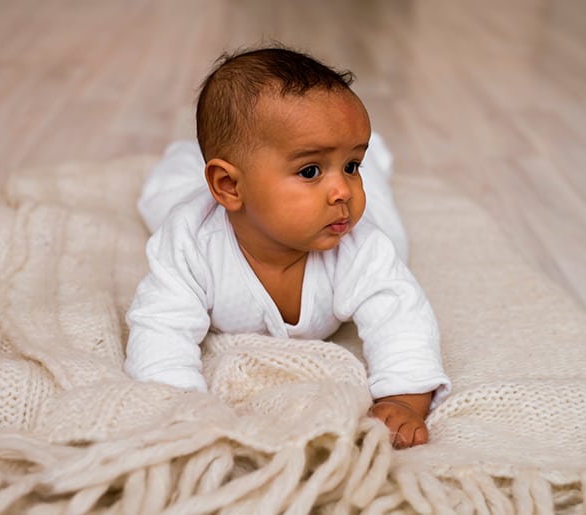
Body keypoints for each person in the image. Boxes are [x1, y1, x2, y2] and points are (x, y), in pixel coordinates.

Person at [124, 47, 450, 449]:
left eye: (352, 165)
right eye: (310, 170)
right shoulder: (191, 243)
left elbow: (401, 317)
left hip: (364, 223)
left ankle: (375, 156)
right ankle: (183, 156)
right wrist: (178, 405)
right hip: (204, 199)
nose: (342, 190)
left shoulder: (360, 244)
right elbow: (160, 326)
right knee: (163, 197)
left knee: (378, 203)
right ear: (229, 186)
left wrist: (404, 397)